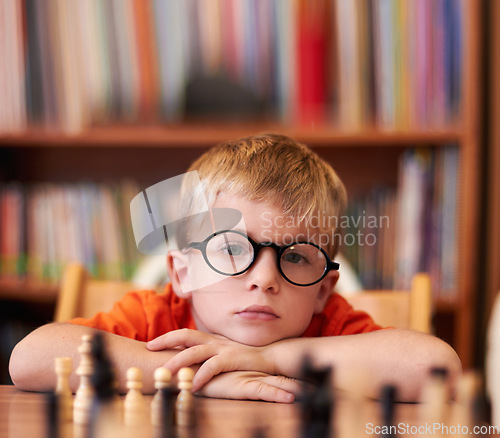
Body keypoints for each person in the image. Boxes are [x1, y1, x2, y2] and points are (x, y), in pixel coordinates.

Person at [9, 134, 461, 403]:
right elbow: (29, 359)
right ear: (182, 273)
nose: (264, 278)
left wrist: (267, 359)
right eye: (231, 249)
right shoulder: (156, 317)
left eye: (297, 255)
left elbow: (437, 368)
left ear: (324, 290)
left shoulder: (327, 323)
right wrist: (203, 375)